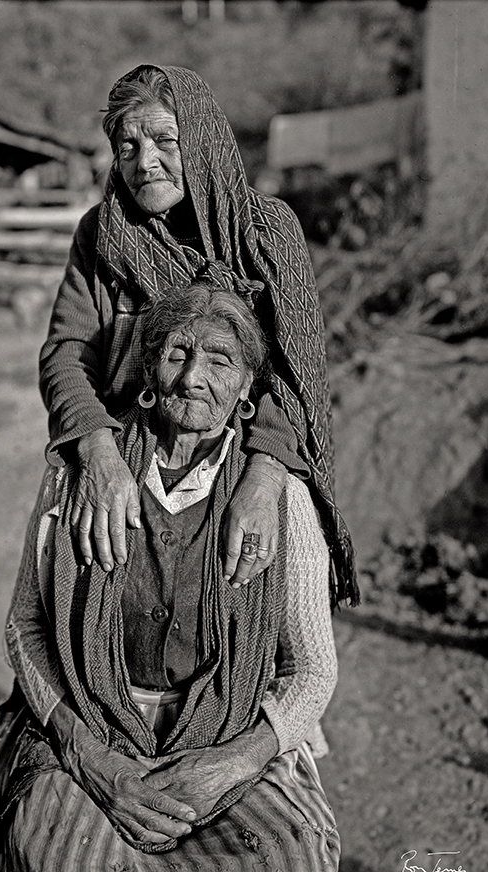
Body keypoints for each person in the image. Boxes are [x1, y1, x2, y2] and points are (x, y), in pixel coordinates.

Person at [0, 278, 340, 872]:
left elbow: (311, 672)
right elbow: (26, 627)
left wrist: (234, 762)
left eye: (220, 361)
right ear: (149, 367)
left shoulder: (277, 499)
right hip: (90, 729)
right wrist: (90, 755)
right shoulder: (83, 476)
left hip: (232, 736)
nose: (193, 377)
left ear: (249, 387)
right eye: (177, 354)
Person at [39, 64, 359, 606]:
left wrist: (262, 481)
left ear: (204, 140)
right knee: (68, 610)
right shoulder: (103, 233)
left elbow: (293, 374)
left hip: (241, 455)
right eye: (127, 147)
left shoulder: (265, 233)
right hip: (124, 453)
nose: (146, 163)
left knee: (260, 631)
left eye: (166, 140)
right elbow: (68, 354)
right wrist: (97, 451)